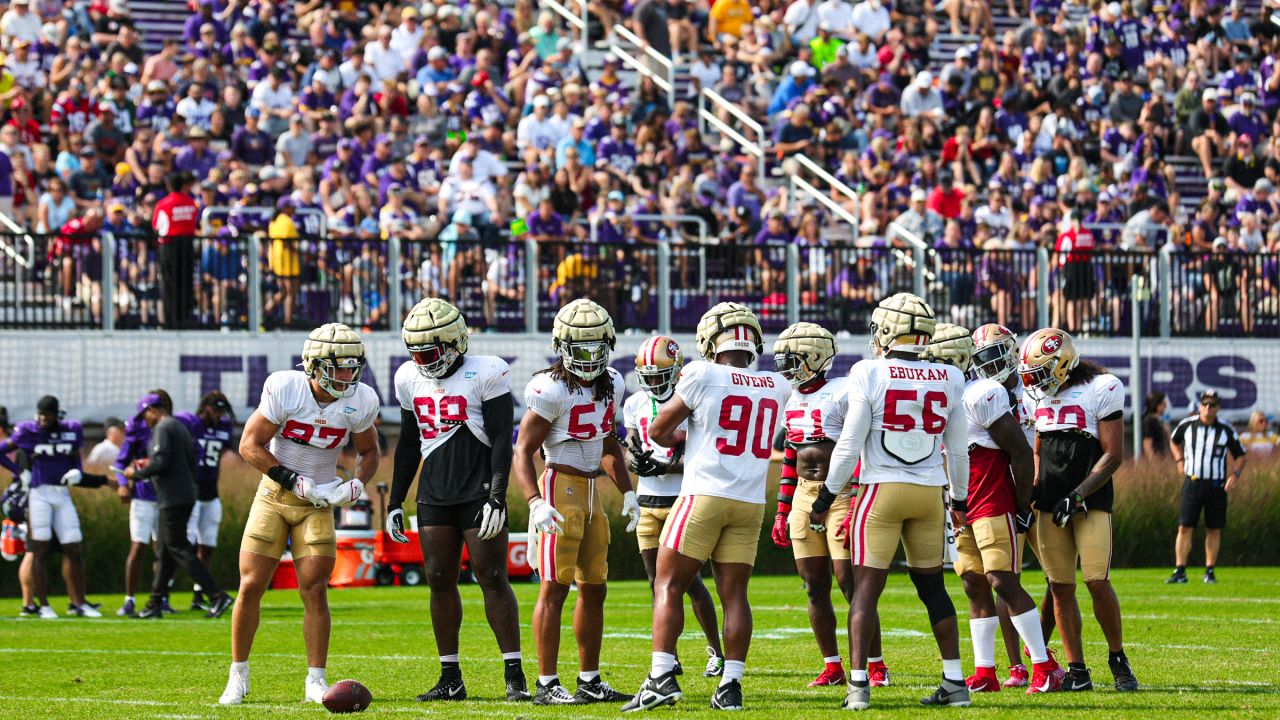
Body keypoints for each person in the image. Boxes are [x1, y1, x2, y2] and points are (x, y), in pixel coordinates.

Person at [808, 293, 971, 711]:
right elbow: (957, 450)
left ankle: (859, 686)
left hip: (881, 489)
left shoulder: (869, 370)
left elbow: (849, 443)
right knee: (933, 587)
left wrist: (827, 495)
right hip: (930, 495)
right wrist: (960, 499)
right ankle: (955, 680)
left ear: (885, 330)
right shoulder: (949, 377)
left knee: (865, 592)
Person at [625, 302, 789, 711]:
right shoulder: (776, 384)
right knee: (735, 597)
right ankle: (730, 686)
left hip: (704, 495)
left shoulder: (701, 372)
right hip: (750, 500)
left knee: (668, 584)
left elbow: (659, 429)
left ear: (710, 340)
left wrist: (685, 438)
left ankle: (661, 677)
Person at [220, 323, 381, 705]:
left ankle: (315, 679)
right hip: (275, 496)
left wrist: (357, 483)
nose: (347, 375)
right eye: (339, 366)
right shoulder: (286, 388)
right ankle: (238, 675)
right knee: (250, 585)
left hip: (318, 503)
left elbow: (369, 451)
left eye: (351, 366)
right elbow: (249, 445)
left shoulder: (360, 400)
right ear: (314, 365)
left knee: (314, 588)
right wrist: (292, 479)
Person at [389, 298, 530, 702]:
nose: (421, 361)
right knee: (437, 579)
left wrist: (498, 495)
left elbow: (504, 437)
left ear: (454, 343)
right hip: (434, 493)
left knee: (492, 576)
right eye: (414, 352)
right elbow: (409, 442)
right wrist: (396, 500)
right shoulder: (407, 377)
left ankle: (514, 675)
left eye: (428, 352)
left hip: (478, 490)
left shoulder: (485, 370)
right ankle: (450, 677)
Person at [924, 324, 1064, 695]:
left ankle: (1043, 665)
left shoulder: (981, 393)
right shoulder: (941, 397)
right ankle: (985, 671)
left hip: (992, 501)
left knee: (1003, 580)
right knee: (973, 584)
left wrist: (1020, 504)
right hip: (961, 505)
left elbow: (1019, 452)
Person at [513, 299, 640, 706]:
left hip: (590, 492)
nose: (588, 357)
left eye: (595, 347)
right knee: (554, 586)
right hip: (559, 488)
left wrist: (628, 491)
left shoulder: (613, 384)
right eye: (579, 348)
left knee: (595, 587)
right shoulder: (548, 388)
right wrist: (534, 500)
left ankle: (589, 679)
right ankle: (547, 683)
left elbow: (606, 443)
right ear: (561, 346)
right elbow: (523, 450)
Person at [1018, 328, 1139, 692]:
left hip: (1090, 503)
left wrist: (1080, 494)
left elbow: (1113, 455)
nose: (1036, 382)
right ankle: (1077, 669)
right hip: (1051, 505)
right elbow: (1039, 450)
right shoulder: (1037, 398)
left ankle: (1118, 658)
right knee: (1060, 587)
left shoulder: (1101, 388)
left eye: (1041, 372)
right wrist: (1032, 493)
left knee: (1096, 581)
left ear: (1062, 364)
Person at [770, 322, 889, 688]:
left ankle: (876, 663)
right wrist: (782, 508)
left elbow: (856, 449)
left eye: (794, 358)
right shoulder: (791, 399)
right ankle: (833, 665)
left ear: (816, 357)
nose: (787, 366)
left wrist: (854, 501)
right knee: (813, 585)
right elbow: (791, 459)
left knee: (849, 582)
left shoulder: (842, 391)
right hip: (804, 495)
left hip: (841, 494)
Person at [622, 335, 725, 679]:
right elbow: (631, 446)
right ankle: (670, 656)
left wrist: (667, 467)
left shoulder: (690, 400)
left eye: (658, 375)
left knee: (689, 581)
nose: (653, 382)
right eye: (647, 376)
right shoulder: (635, 403)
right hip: (648, 503)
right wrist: (635, 462)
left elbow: (699, 453)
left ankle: (716, 651)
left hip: (682, 500)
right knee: (656, 583)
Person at [970, 324, 1056, 689]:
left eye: (995, 355)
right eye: (982, 359)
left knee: (1059, 578)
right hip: (1004, 497)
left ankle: (1043, 649)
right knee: (1005, 580)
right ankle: (1018, 666)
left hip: (1038, 492)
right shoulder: (982, 393)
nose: (990, 366)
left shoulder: (1033, 389)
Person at [124, 393, 232, 620]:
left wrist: (137, 472)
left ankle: (216, 594)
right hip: (183, 494)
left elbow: (161, 462)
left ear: (152, 410)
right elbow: (183, 459)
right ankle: (155, 603)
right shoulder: (179, 427)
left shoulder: (163, 428)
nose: (145, 421)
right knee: (165, 551)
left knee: (179, 547)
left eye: (145, 415)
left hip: (173, 497)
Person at [0, 395, 106, 618]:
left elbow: (75, 455)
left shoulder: (72, 429)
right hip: (39, 494)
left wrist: (77, 469)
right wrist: (19, 472)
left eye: (46, 415)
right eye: (39, 414)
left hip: (62, 494)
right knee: (39, 549)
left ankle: (79, 603)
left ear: (56, 414)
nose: (41, 419)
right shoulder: (28, 431)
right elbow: (2, 450)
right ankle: (44, 605)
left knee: (73, 548)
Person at [1167, 390, 1246, 585]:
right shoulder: (1187, 425)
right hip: (1193, 482)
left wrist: (1235, 475)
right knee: (1184, 526)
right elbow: (1174, 441)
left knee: (1214, 528)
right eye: (1205, 404)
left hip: (1216, 485)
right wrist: (1179, 460)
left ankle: (1209, 570)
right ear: (1200, 405)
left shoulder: (1226, 429)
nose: (1208, 408)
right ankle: (1180, 570)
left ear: (1218, 407)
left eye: (1212, 405)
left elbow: (1240, 455)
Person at [112, 390, 171, 617]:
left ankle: (160, 597)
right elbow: (120, 462)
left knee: (162, 549)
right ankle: (130, 598)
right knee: (138, 547)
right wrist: (122, 483)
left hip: (164, 496)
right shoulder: (137, 432)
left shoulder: (169, 428)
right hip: (143, 495)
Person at [176, 391, 236, 611]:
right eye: (215, 410)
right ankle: (164, 591)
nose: (218, 415)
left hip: (211, 492)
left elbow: (227, 453)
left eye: (221, 411)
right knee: (185, 546)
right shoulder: (189, 424)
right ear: (205, 408)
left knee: (208, 544)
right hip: (190, 492)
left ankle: (198, 594)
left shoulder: (223, 427)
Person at [152, 171, 198, 328]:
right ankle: (185, 317)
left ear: (169, 186)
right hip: (187, 245)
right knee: (185, 282)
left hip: (169, 245)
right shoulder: (191, 203)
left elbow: (157, 226)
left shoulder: (164, 204)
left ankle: (170, 319)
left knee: (169, 282)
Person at [1142, 392, 1172, 459]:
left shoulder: (1158, 421)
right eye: (1164, 404)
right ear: (1157, 406)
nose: (1165, 406)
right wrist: (1154, 464)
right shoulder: (1149, 422)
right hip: (1156, 462)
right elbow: (1147, 444)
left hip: (1162, 461)